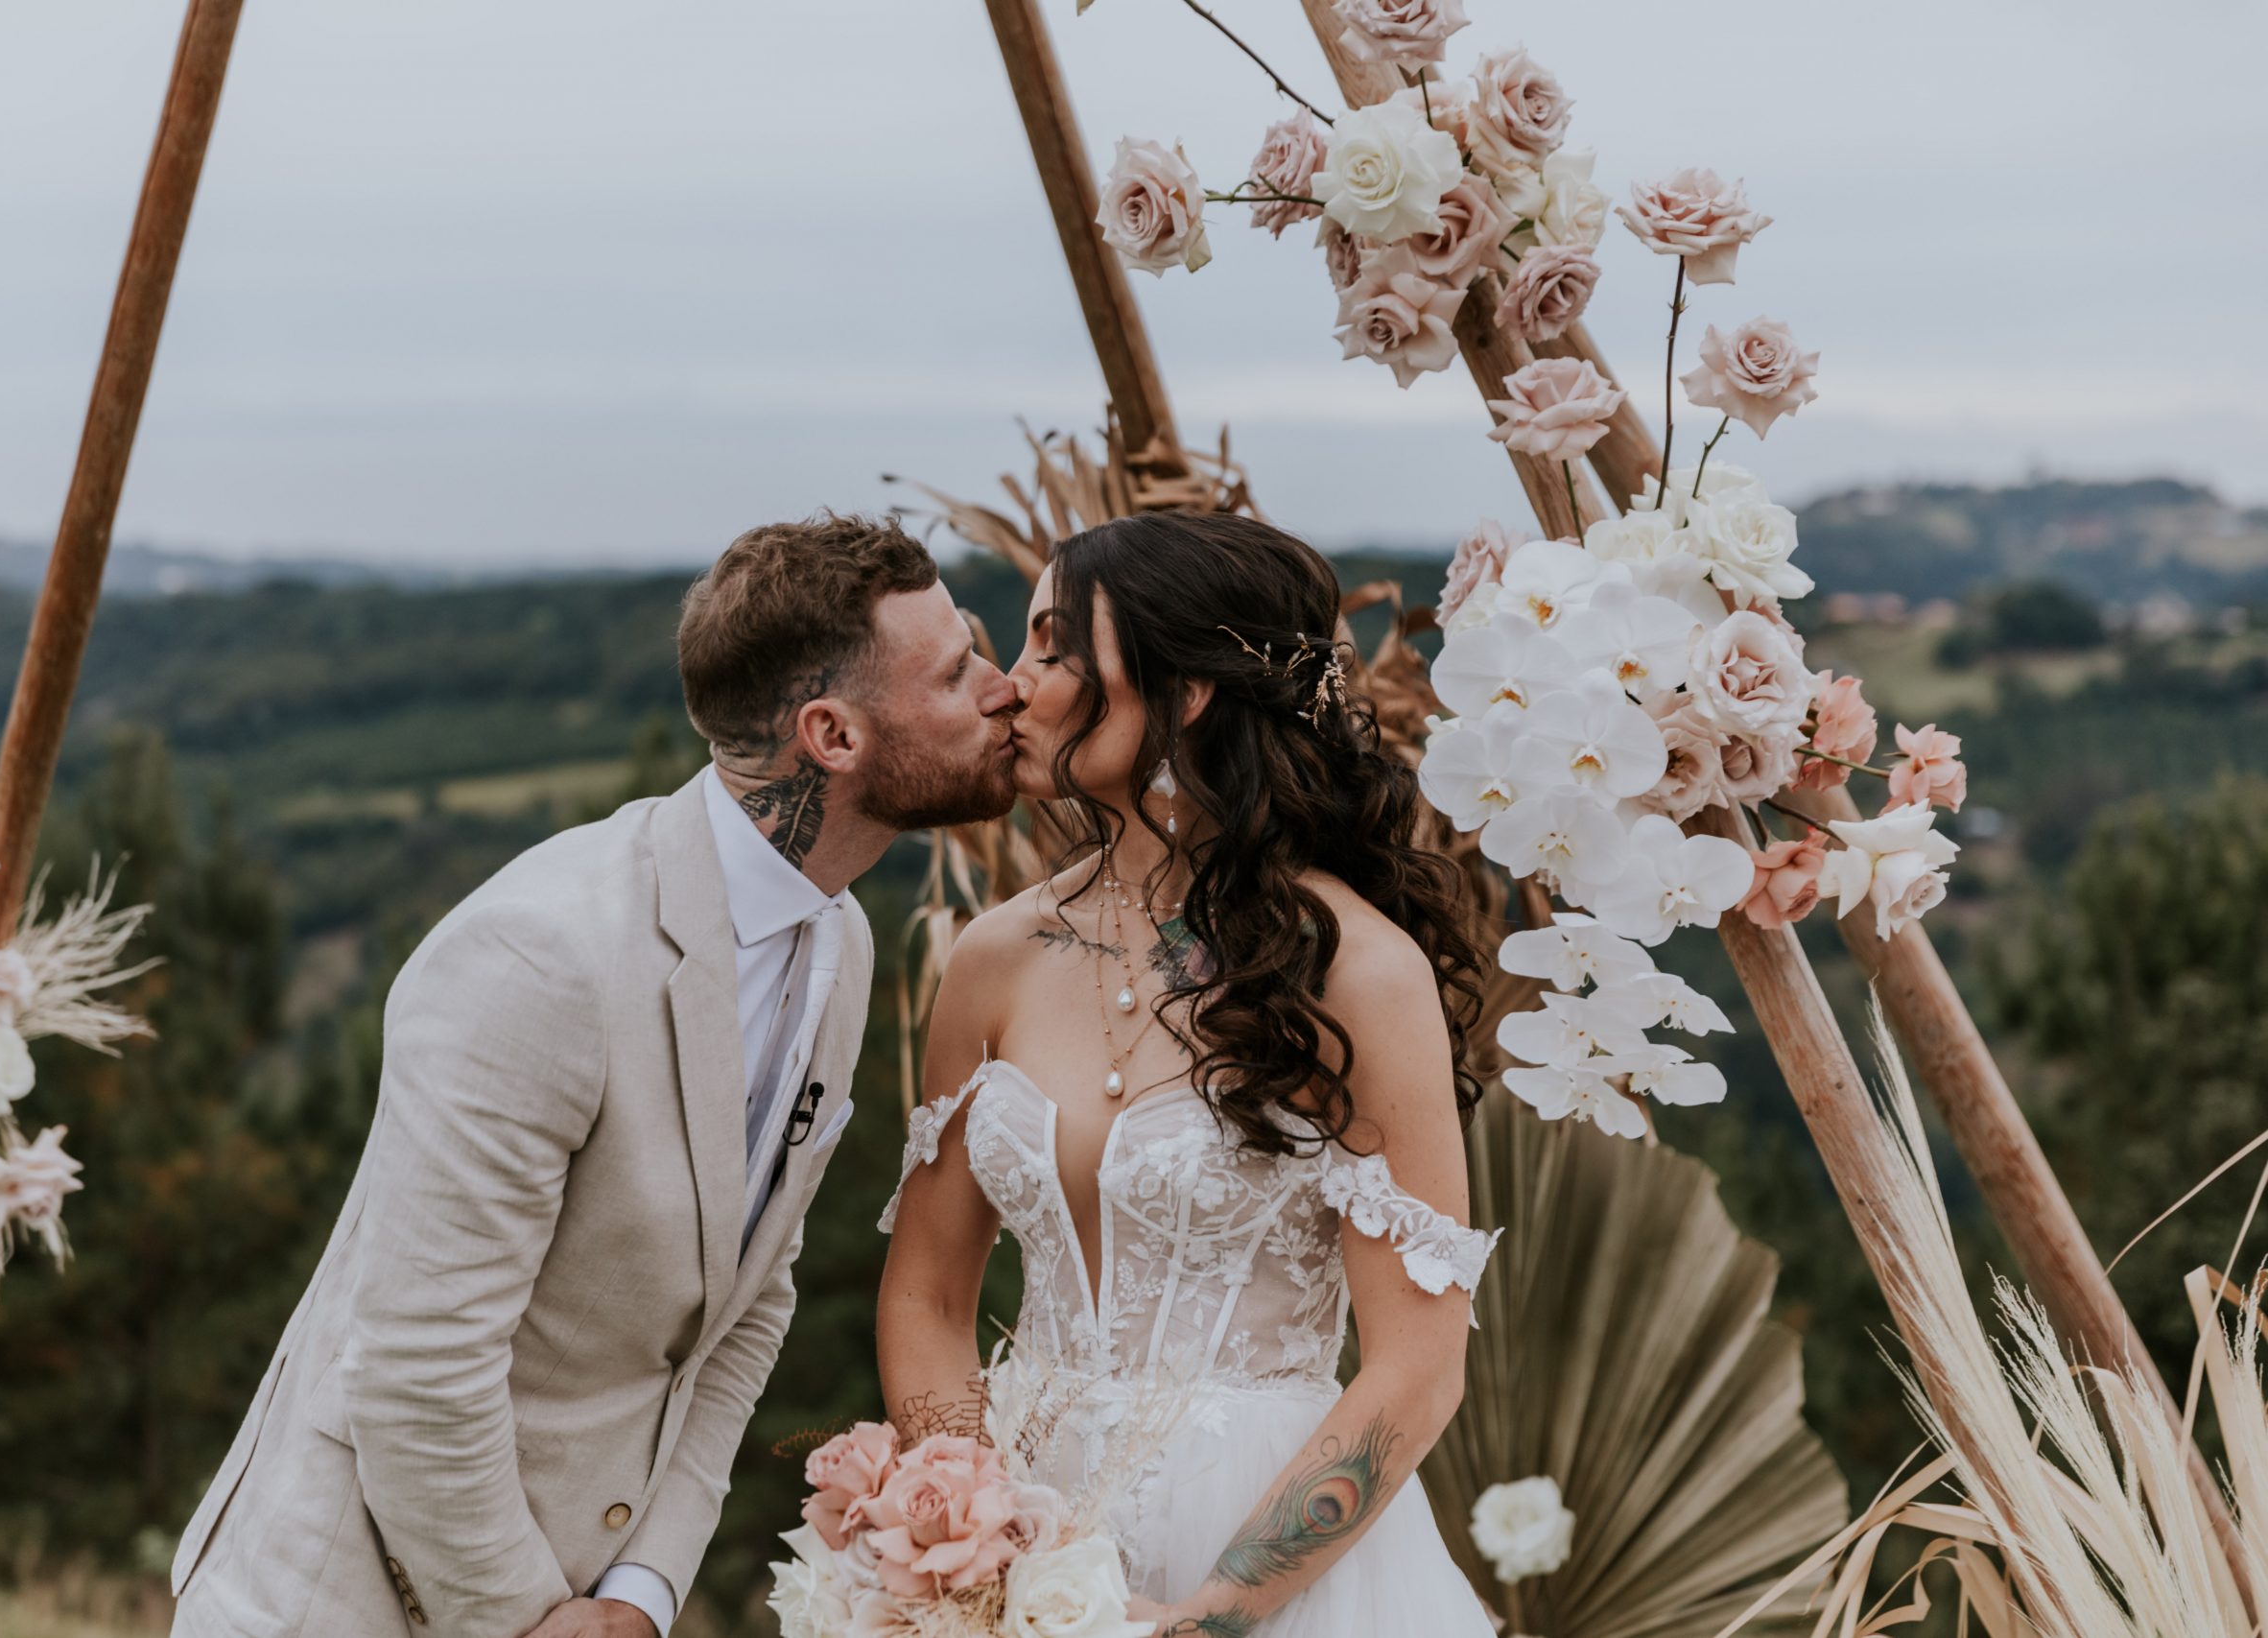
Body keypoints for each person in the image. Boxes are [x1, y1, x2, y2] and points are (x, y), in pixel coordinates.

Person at [170, 512, 1024, 1638]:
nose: (1005, 688)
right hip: (348, 1598)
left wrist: (644, 1585)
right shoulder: (540, 955)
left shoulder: (838, 941)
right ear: (834, 734)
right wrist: (526, 1617)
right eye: (959, 670)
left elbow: (748, 1301)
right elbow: (420, 1362)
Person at [876, 510, 1501, 1635]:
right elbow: (926, 1295)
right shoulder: (991, 961)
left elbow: (1417, 1362)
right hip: (1025, 1532)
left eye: (1054, 648)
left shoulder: (1357, 974)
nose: (1011, 686)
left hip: (1273, 1555)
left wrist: (1218, 1611)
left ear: (1189, 690)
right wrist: (971, 1541)